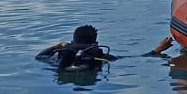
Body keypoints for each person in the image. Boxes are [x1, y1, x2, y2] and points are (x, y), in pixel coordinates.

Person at [35, 24, 174, 70]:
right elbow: (133, 58)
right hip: (91, 68)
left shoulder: (60, 54)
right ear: (95, 43)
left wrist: (57, 45)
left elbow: (39, 57)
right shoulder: (98, 55)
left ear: (73, 41)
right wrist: (157, 50)